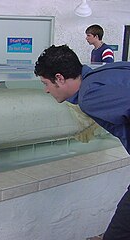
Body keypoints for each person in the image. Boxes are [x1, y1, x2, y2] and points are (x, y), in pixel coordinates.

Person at [34, 44, 130, 240]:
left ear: (59, 78)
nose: (46, 90)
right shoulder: (106, 72)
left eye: (46, 83)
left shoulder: (90, 95)